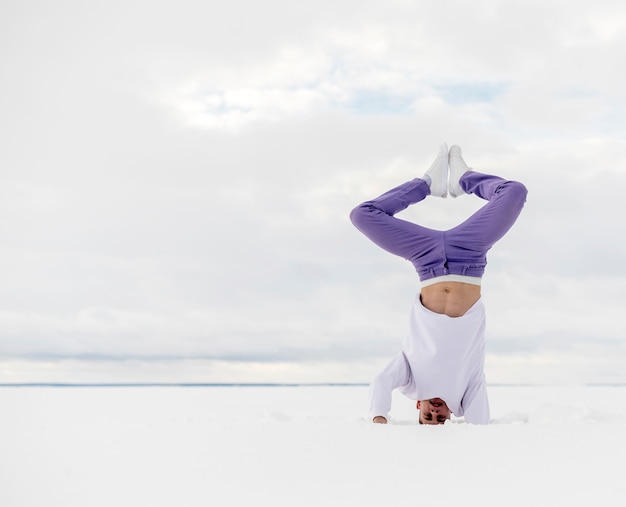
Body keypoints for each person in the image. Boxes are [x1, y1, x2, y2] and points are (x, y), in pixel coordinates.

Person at [349, 144, 527, 425]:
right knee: (515, 192)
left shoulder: (409, 382)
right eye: (439, 418)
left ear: (417, 406)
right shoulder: (465, 396)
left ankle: (425, 184)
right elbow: (481, 424)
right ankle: (465, 179)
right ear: (450, 415)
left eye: (426, 416)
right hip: (470, 256)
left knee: (362, 215)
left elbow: (382, 380)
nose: (435, 411)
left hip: (426, 260)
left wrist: (379, 417)